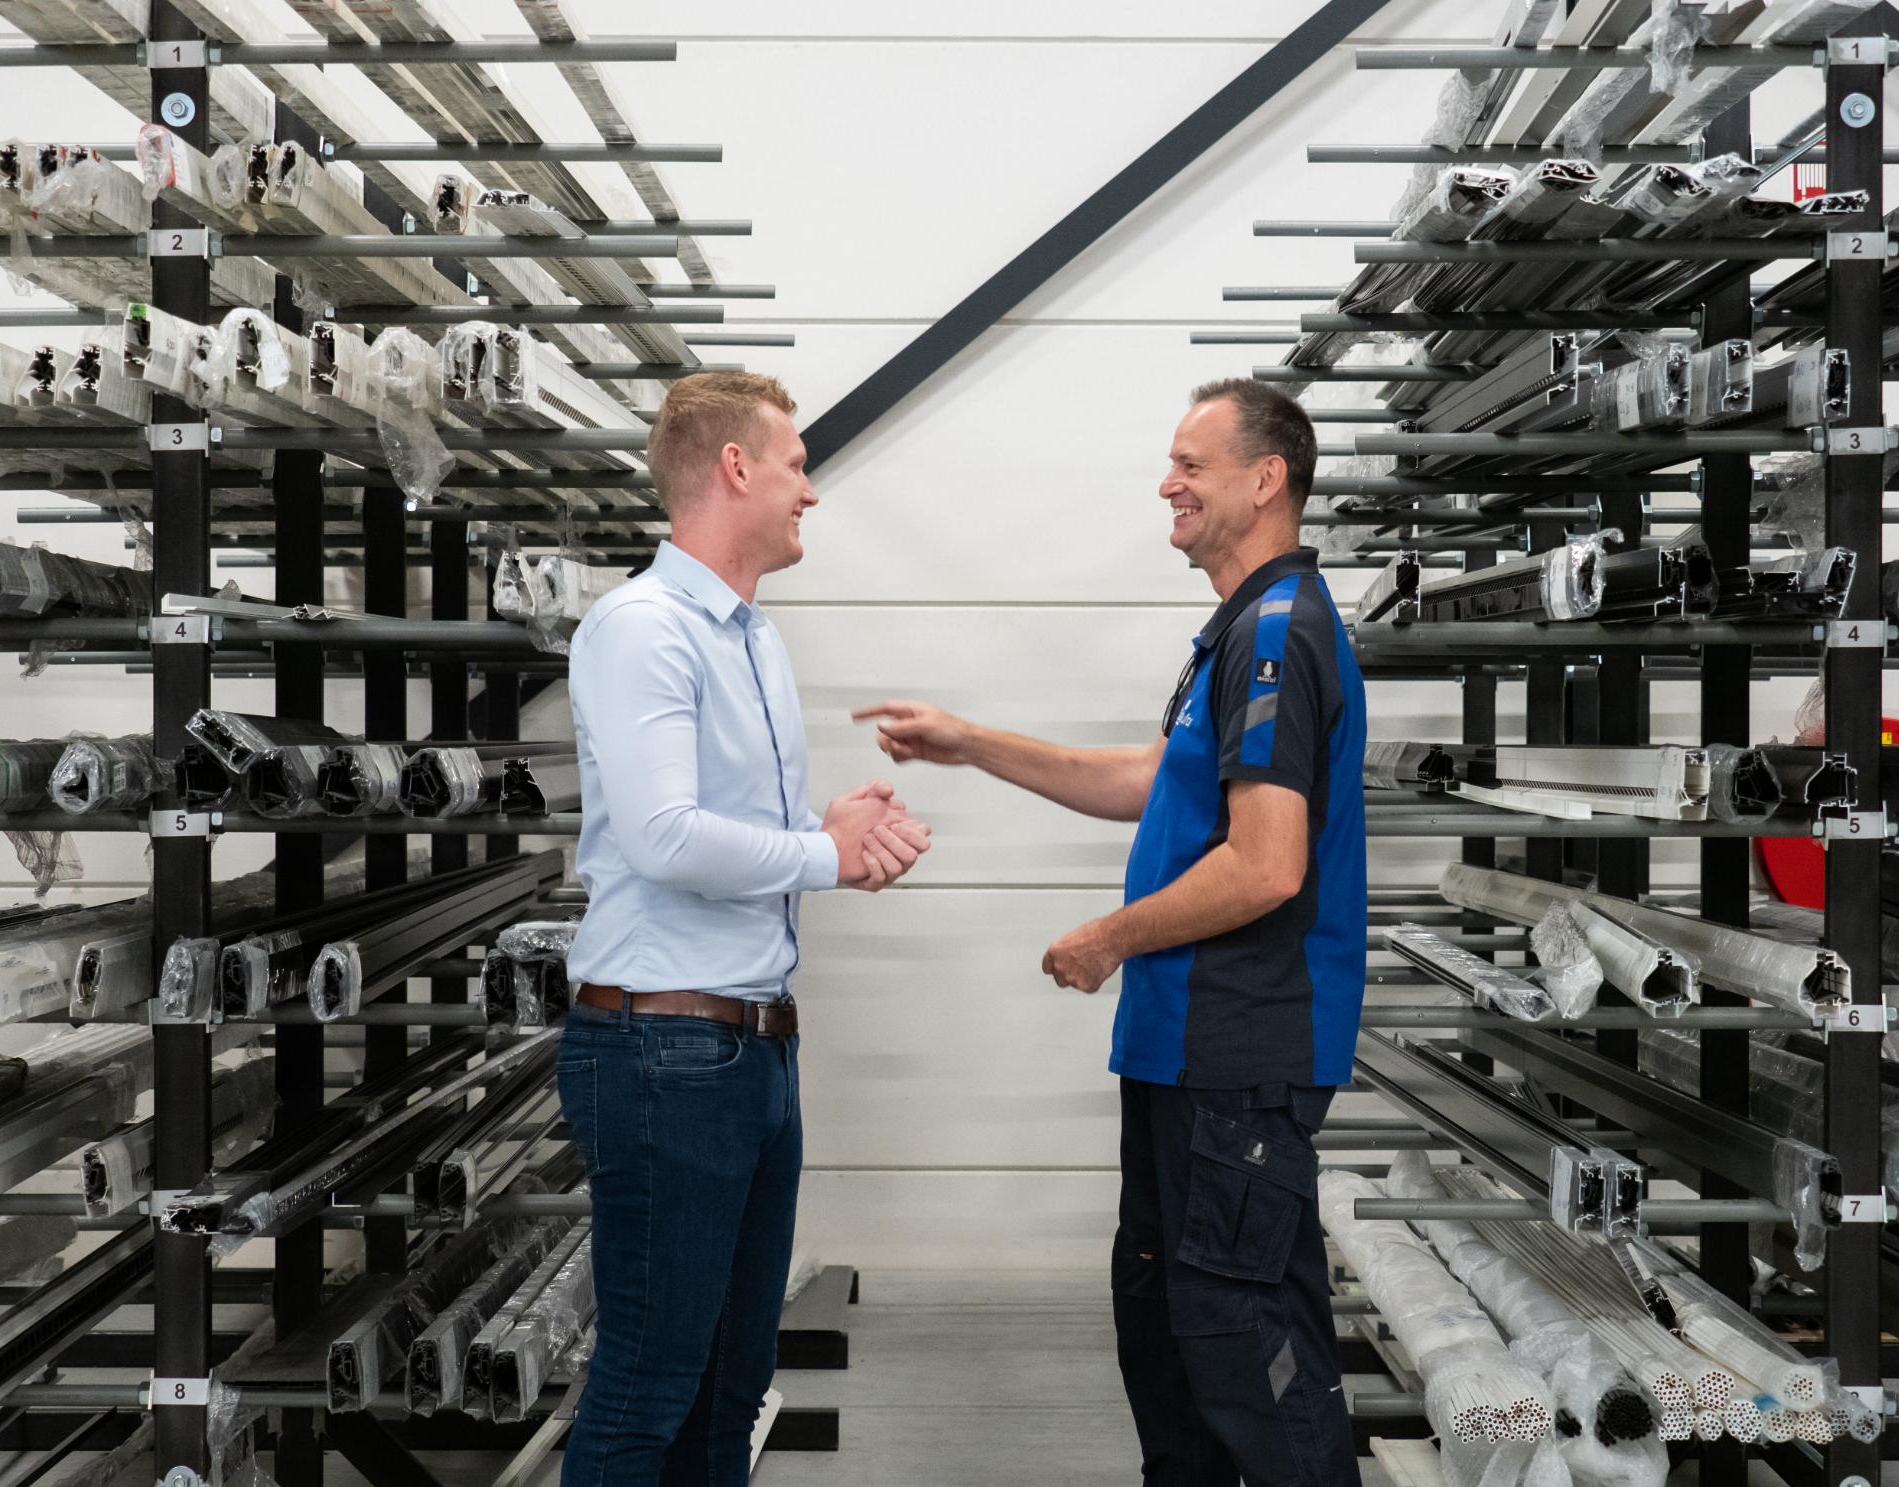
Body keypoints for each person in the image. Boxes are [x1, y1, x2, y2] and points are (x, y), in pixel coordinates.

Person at [855, 378, 1366, 1487]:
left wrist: (1109, 938)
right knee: (1172, 1338)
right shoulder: (1235, 631)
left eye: (1191, 463)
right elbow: (1151, 780)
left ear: (1266, 478)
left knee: (1246, 1350)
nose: (1166, 484)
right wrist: (970, 740)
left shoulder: (1279, 634)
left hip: (1238, 1055)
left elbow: (1267, 862)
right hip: (1184, 1055)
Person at [560, 371, 931, 1484]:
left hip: (750, 1046)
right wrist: (826, 855)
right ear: (734, 468)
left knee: (729, 1389)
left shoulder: (752, 639)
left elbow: (720, 832)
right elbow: (667, 836)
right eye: (796, 463)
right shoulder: (643, 628)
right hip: (666, 1052)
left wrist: (819, 827)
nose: (808, 490)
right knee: (648, 1383)